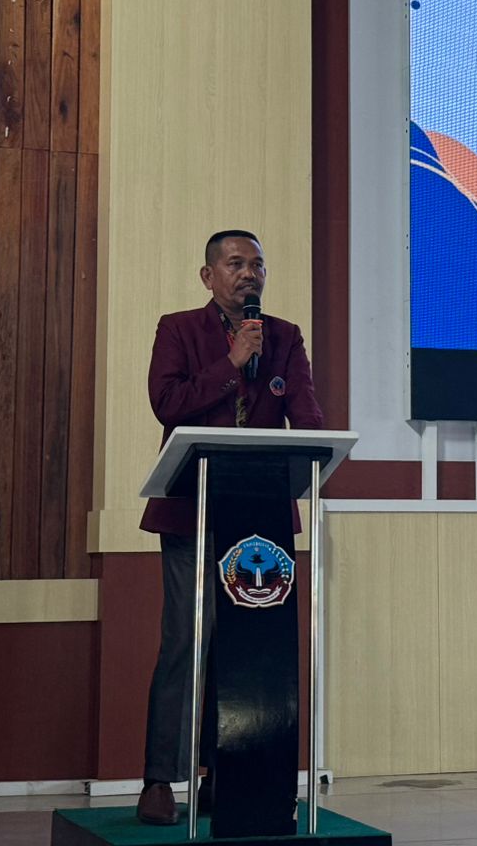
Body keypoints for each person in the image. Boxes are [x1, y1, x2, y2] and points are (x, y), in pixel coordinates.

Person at [136, 231, 324, 826]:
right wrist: (232, 363)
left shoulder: (285, 336)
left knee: (248, 647)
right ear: (208, 275)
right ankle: (160, 780)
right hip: (191, 512)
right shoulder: (179, 329)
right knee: (186, 644)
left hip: (260, 519)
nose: (249, 274)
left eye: (258, 265)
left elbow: (306, 415)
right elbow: (168, 403)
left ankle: (228, 774)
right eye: (236, 263)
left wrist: (317, 443)